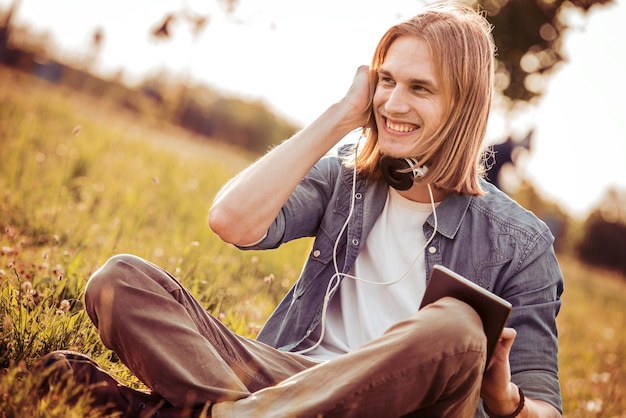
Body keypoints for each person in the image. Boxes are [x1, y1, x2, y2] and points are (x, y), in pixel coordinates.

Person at [36, 2, 563, 417]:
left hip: (410, 407)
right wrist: (339, 118)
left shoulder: (521, 241)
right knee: (121, 280)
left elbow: (544, 408)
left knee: (457, 328)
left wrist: (504, 401)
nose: (393, 104)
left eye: (420, 89)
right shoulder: (348, 177)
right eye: (387, 81)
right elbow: (232, 221)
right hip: (293, 376)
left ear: (464, 105)